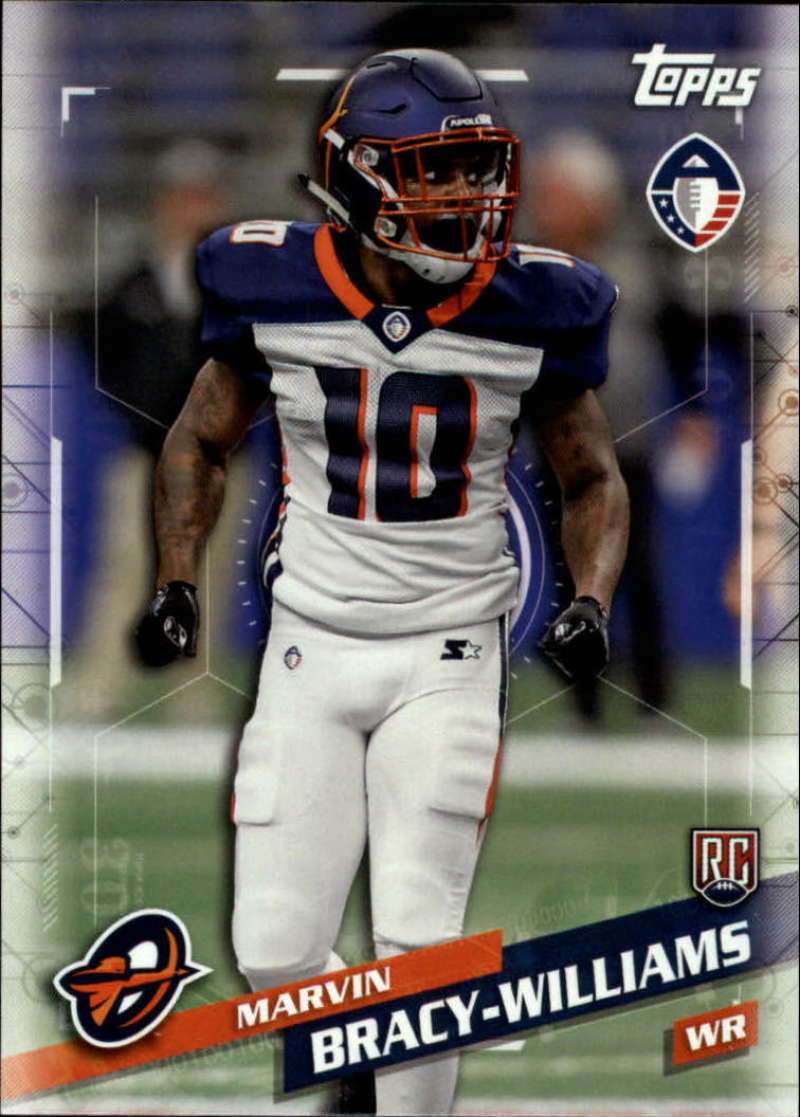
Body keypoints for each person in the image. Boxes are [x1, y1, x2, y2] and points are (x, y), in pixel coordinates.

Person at [136, 48, 629, 1117]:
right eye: (433, 169)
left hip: (449, 650)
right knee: (273, 950)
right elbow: (198, 438)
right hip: (309, 641)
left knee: (417, 943)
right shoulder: (269, 283)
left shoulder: (532, 304)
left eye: (474, 168)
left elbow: (591, 474)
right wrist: (176, 576)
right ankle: (366, 1059)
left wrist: (589, 597)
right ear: (357, 177)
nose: (465, 194)